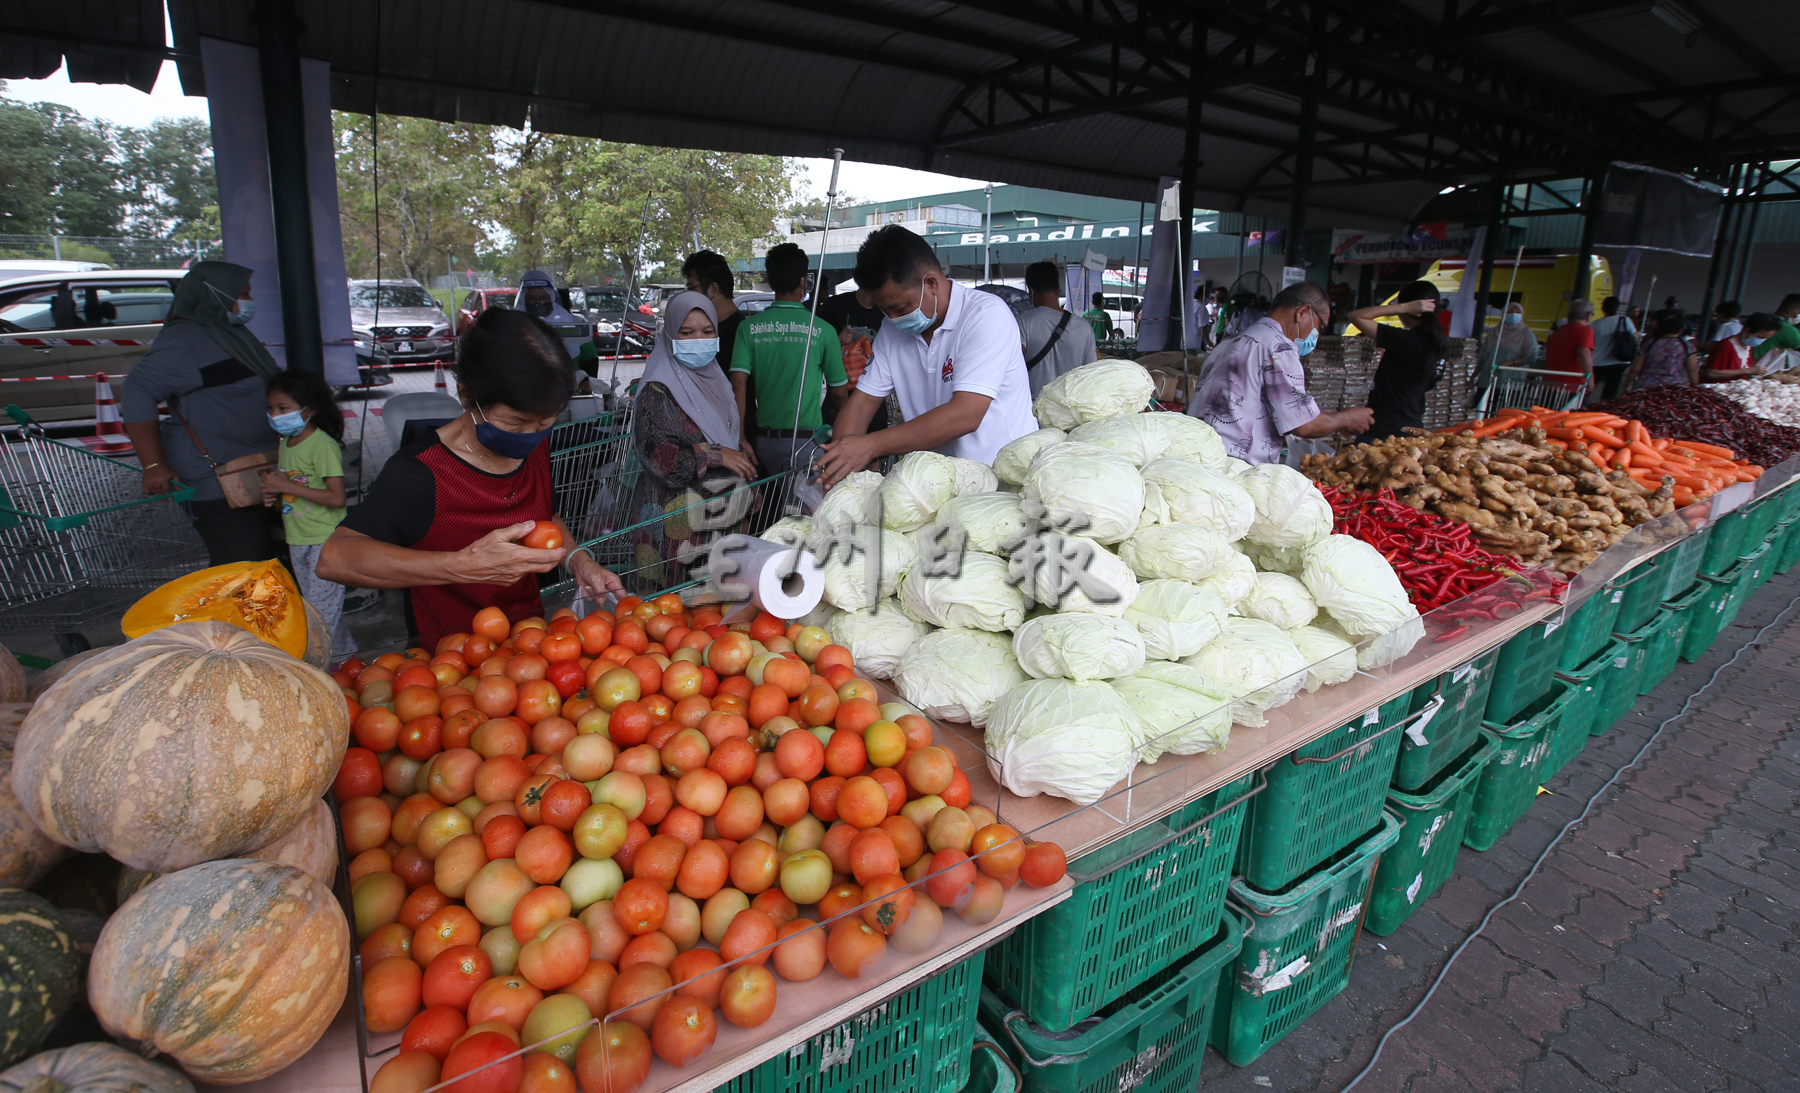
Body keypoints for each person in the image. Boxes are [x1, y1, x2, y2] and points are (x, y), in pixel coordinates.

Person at [317, 308, 621, 648]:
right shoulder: (420, 472)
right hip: (452, 661)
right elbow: (335, 557)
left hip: (531, 646)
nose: (531, 434)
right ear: (466, 396)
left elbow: (543, 518)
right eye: (516, 422)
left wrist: (579, 560)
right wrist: (460, 566)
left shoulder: (533, 444)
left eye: (544, 421)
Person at [814, 225, 1037, 485]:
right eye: (885, 310)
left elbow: (966, 414)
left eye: (900, 307)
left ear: (931, 283)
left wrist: (870, 446)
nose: (893, 318)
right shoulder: (891, 330)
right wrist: (839, 463)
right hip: (937, 485)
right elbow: (862, 404)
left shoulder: (985, 315)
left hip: (1001, 482)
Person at [122, 261, 282, 565]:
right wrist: (153, 464)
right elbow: (137, 390)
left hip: (254, 466)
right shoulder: (184, 340)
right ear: (214, 295)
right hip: (216, 476)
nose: (248, 302)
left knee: (260, 558)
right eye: (242, 294)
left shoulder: (229, 333)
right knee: (241, 561)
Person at [626, 292, 761, 584]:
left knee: (718, 615)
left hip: (720, 521)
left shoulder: (717, 380)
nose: (698, 339)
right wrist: (715, 454)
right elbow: (661, 461)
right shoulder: (657, 391)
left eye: (707, 331)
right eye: (686, 333)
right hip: (677, 531)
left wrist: (747, 482)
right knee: (676, 619)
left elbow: (726, 436)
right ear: (670, 336)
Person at [1188, 280, 1374, 465]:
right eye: (1320, 327)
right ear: (1302, 312)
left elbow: (1241, 408)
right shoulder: (1278, 347)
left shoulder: (1230, 342)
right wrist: (1349, 418)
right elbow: (1305, 424)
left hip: (1201, 457)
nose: (1317, 336)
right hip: (1234, 469)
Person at [729, 243, 848, 475]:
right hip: (805, 445)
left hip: (762, 444)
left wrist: (740, 436)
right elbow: (839, 392)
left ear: (771, 282)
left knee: (769, 509)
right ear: (804, 281)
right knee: (800, 510)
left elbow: (737, 385)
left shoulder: (748, 328)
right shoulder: (823, 330)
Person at [260, 370, 355, 656]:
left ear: (309, 409)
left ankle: (318, 669)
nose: (275, 415)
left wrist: (285, 485)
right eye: (271, 409)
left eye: (283, 408)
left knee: (317, 615)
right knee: (317, 608)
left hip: (325, 541)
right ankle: (344, 658)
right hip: (298, 538)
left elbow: (337, 498)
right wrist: (275, 494)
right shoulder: (286, 444)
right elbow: (294, 492)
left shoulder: (322, 445)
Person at [1344, 280, 1447, 441]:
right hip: (1412, 427)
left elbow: (1355, 316)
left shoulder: (1405, 340)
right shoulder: (1440, 344)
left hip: (1383, 429)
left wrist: (1404, 307)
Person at [1017, 260, 1097, 399]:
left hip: (1033, 411)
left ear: (1031, 290)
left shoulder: (1023, 323)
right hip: (1071, 411)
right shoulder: (1084, 327)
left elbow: (1012, 365)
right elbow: (1091, 375)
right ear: (1058, 290)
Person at [815, 284, 888, 433]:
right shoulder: (835, 306)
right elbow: (813, 347)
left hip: (876, 400)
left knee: (874, 449)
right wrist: (836, 340)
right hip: (838, 396)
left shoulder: (887, 311)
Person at [682, 251, 743, 371]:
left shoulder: (739, 334)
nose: (688, 295)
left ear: (713, 289)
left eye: (691, 288)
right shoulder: (708, 328)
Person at [1625, 310, 1700, 390]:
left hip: (1645, 387)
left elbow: (1635, 369)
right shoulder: (1687, 346)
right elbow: (1692, 371)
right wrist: (1695, 388)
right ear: (1682, 328)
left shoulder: (1649, 343)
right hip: (1672, 390)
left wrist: (1625, 384)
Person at [1701, 312, 1778, 383]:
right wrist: (1747, 371)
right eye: (1760, 337)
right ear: (1747, 331)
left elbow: (1744, 365)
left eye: (1765, 338)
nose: (1761, 341)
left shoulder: (1748, 346)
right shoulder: (1725, 346)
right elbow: (1711, 373)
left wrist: (1769, 356)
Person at [1589, 296, 1639, 401]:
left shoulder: (1595, 324)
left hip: (1597, 361)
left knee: (1589, 388)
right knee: (1611, 391)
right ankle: (1604, 412)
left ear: (1603, 308)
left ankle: (1581, 409)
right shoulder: (1625, 320)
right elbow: (1635, 337)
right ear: (1617, 308)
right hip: (1619, 361)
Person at [1545, 299, 1596, 397]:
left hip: (1550, 385)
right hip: (1573, 386)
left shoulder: (1557, 332)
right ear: (1588, 315)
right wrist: (1590, 379)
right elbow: (1584, 353)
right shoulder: (1586, 331)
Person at [1751, 293, 1800, 369]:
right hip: (1759, 373)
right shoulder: (1788, 330)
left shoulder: (1761, 321)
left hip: (1745, 369)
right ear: (1791, 310)